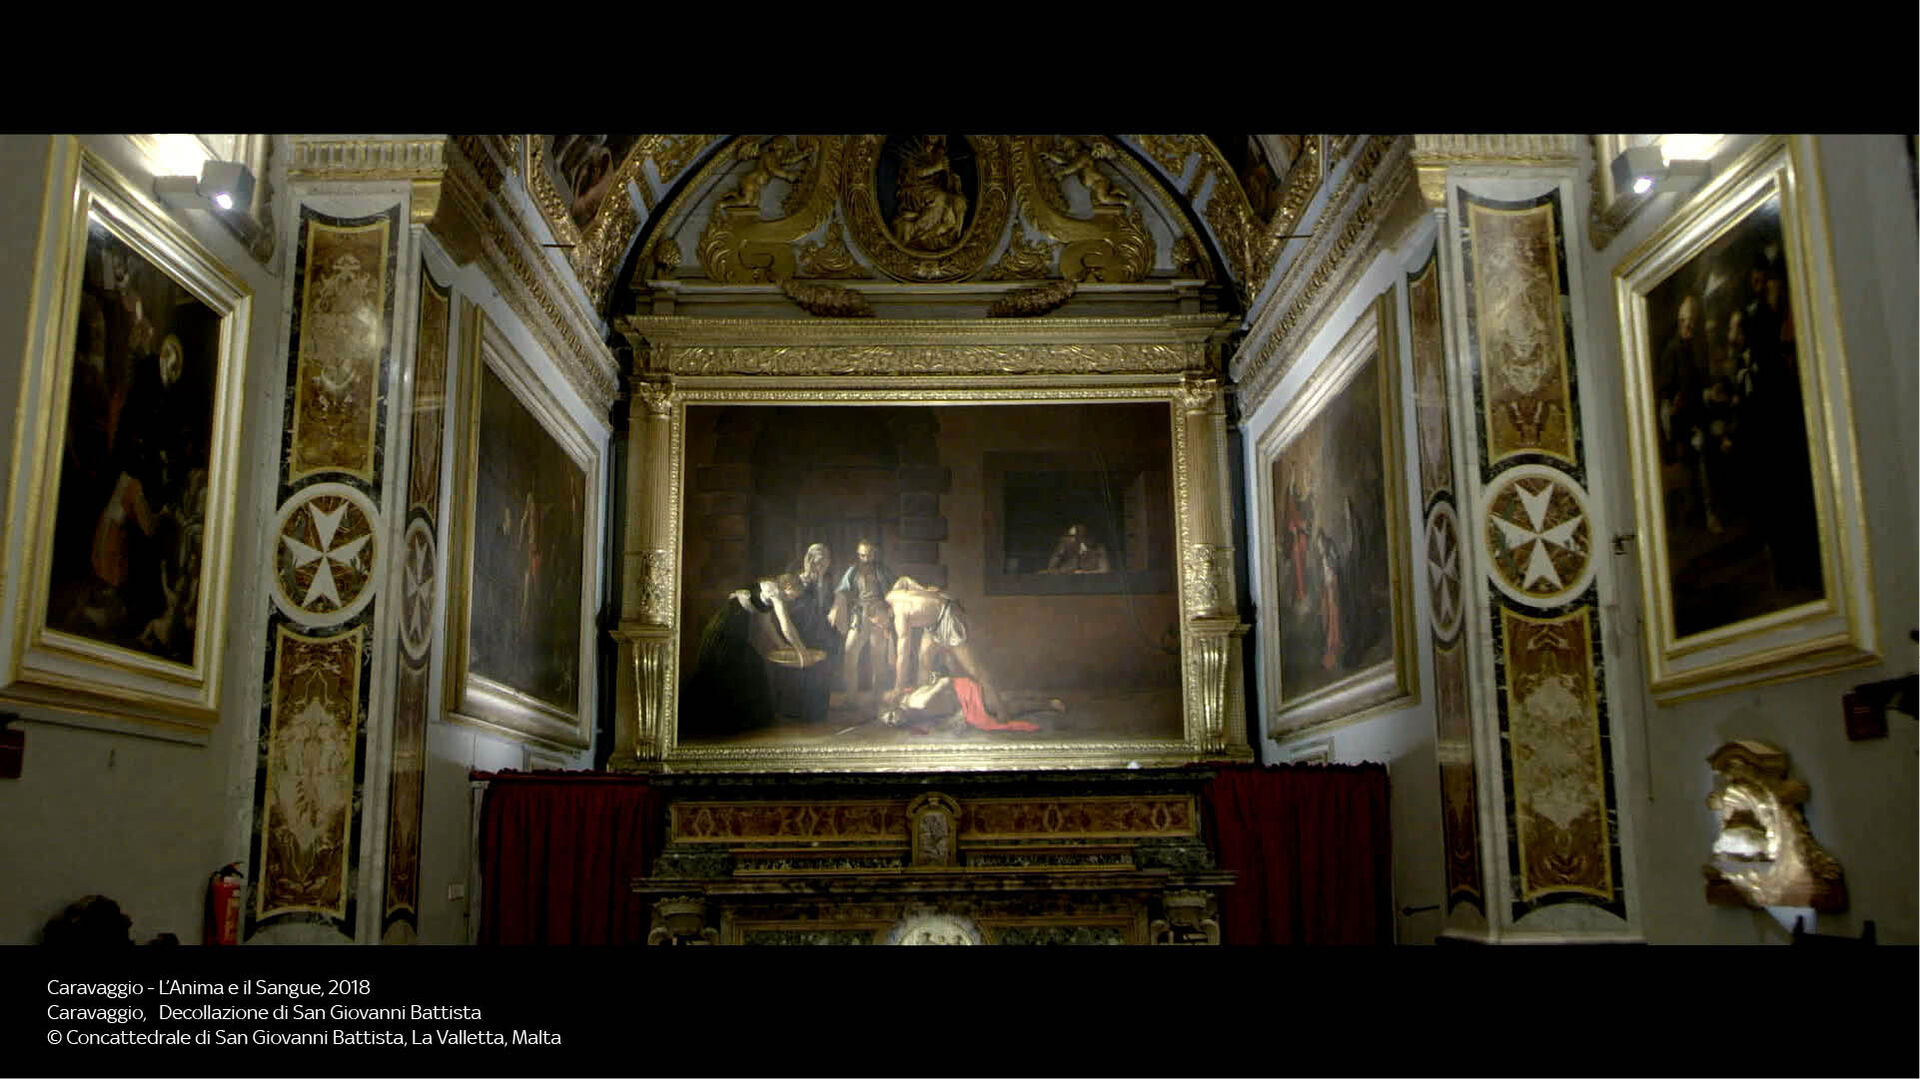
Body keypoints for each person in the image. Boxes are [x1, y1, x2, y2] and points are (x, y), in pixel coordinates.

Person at [683, 577, 813, 735]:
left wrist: (781, 645)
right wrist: (801, 651)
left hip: (735, 631)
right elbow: (786, 626)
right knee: (737, 668)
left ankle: (744, 719)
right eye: (794, 595)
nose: (793, 599)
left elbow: (766, 625)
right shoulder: (775, 591)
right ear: (788, 585)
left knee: (752, 666)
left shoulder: (768, 592)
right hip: (725, 629)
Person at [882, 577, 1004, 720]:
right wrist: (922, 590)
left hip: (947, 614)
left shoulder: (899, 615)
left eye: (880, 622)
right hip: (933, 622)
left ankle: (1000, 707)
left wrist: (898, 688)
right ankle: (925, 708)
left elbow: (903, 654)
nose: (881, 626)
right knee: (924, 660)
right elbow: (904, 580)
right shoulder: (891, 595)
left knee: (973, 668)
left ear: (886, 611)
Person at [771, 544, 835, 724]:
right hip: (798, 625)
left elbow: (825, 604)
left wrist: (820, 581)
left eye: (823, 563)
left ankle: (815, 710)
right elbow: (789, 601)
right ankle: (793, 709)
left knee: (819, 665)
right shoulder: (795, 574)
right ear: (809, 560)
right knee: (797, 666)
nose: (819, 566)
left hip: (818, 628)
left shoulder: (826, 580)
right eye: (817, 562)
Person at [831, 538, 895, 699]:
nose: (866, 559)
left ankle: (877, 698)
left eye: (869, 555)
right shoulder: (853, 570)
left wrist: (888, 610)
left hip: (879, 614)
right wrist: (836, 609)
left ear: (875, 554)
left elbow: (895, 589)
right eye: (862, 555)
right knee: (849, 653)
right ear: (858, 555)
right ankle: (851, 697)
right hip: (859, 615)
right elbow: (841, 590)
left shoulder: (883, 570)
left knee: (878, 657)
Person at [1044, 523, 1111, 574]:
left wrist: (1084, 573)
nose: (1071, 539)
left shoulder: (1098, 548)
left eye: (1075, 536)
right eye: (1069, 536)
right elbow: (1052, 568)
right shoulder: (1064, 548)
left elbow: (1104, 570)